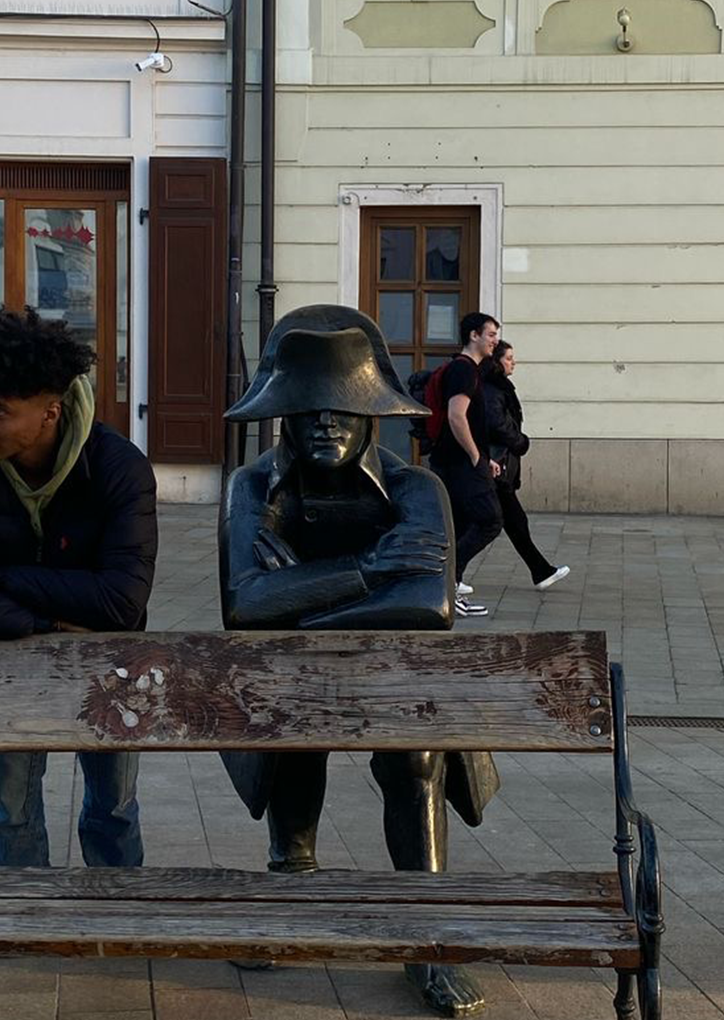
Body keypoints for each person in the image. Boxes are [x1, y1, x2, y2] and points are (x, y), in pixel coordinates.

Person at [220, 304, 498, 1018]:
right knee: (291, 739)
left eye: (345, 404)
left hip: (401, 680)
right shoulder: (254, 488)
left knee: (414, 760)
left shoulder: (416, 490)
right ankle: (291, 893)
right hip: (290, 687)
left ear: (373, 409)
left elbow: (427, 607)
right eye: (308, 404)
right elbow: (246, 603)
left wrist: (301, 600)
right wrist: (369, 569)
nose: (325, 420)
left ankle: (425, 936)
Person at [0, 309, 157, 869]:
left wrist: (0, 580)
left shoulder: (119, 468)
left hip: (110, 660)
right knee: (12, 809)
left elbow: (120, 600)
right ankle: (27, 917)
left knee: (113, 807)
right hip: (8, 657)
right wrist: (41, 623)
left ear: (50, 411)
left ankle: (115, 917)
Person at [428, 312, 503, 618]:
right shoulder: (463, 370)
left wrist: (484, 458)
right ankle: (450, 583)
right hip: (460, 463)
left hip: (455, 461)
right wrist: (475, 457)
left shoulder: (466, 369)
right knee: (490, 520)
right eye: (491, 335)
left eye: (496, 335)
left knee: (459, 525)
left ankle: (448, 589)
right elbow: (456, 416)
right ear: (474, 335)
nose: (495, 341)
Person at [482, 340, 569, 590]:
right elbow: (497, 423)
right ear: (497, 360)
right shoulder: (493, 388)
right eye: (508, 358)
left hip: (499, 467)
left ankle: (541, 571)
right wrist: (520, 441)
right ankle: (452, 575)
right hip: (495, 466)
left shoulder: (498, 386)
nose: (513, 362)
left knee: (512, 521)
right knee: (487, 525)